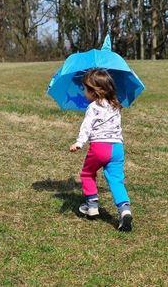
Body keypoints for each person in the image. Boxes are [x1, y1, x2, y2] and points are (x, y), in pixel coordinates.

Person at [69, 68, 132, 232]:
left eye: (85, 89)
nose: (84, 92)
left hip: (100, 148)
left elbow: (86, 128)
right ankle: (125, 210)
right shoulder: (115, 104)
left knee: (87, 173)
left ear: (95, 91)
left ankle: (92, 206)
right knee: (116, 180)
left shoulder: (93, 107)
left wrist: (79, 143)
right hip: (117, 148)